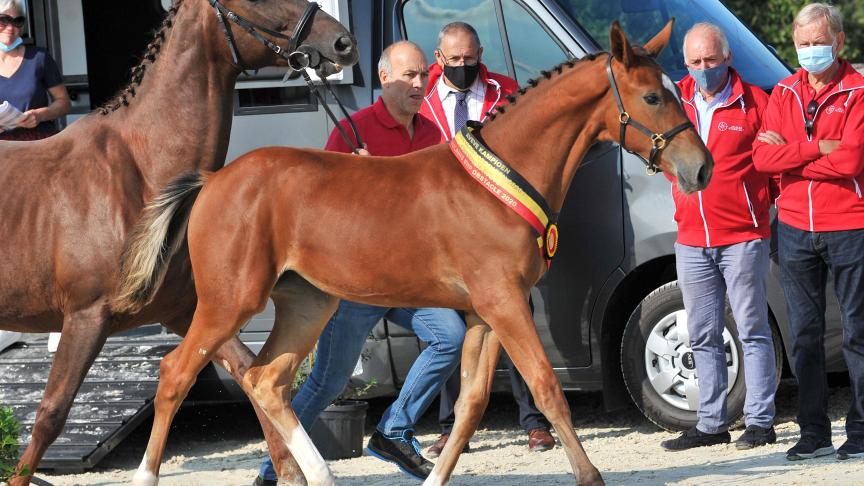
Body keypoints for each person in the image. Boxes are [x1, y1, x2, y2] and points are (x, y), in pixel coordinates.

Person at [253, 41, 465, 486]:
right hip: (354, 283)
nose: (418, 82)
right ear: (384, 78)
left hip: (409, 279)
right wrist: (358, 181)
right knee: (327, 384)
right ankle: (272, 469)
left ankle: (393, 431)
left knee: (450, 336)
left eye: (423, 74)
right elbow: (320, 207)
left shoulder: (431, 135)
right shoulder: (353, 129)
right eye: (409, 75)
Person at [418, 21, 556, 457]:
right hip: (439, 228)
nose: (463, 66)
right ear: (439, 60)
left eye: (469, 59)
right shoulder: (420, 100)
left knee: (516, 318)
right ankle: (451, 425)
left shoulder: (506, 91)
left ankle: (533, 422)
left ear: (481, 54)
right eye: (454, 60)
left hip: (497, 227)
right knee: (450, 330)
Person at [753, 2, 864, 462]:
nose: (811, 51)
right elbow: (761, 160)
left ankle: (859, 431)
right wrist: (817, 147)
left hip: (850, 225)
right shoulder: (782, 92)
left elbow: (852, 161)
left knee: (857, 333)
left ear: (838, 42)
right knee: (804, 334)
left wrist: (793, 156)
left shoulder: (859, 91)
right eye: (803, 44)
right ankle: (813, 431)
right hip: (795, 227)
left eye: (819, 43)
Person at [658, 23, 777, 452]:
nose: (704, 69)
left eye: (711, 60)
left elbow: (775, 163)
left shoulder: (757, 103)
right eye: (695, 62)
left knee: (751, 329)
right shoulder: (677, 100)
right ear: (685, 63)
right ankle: (711, 423)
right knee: (702, 333)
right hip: (690, 237)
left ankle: (761, 421)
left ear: (727, 58)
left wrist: (760, 208)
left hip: (742, 236)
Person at [0, 0, 69, 141]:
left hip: (38, 144)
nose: (10, 27)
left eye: (17, 21)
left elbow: (64, 103)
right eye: (3, 20)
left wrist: (40, 115)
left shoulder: (39, 57)